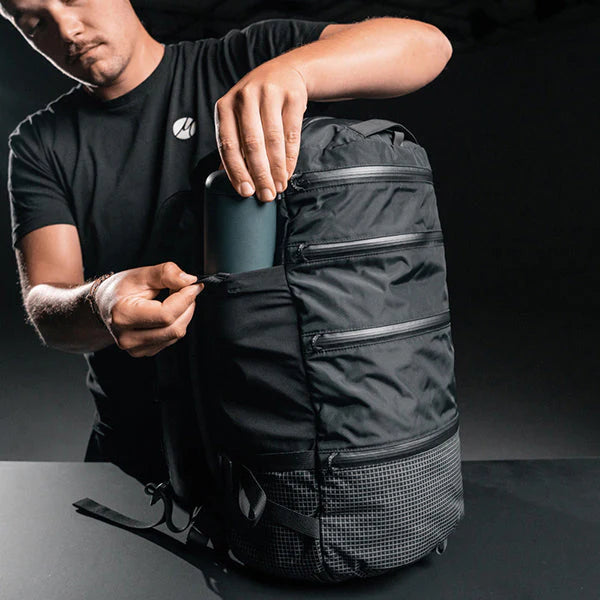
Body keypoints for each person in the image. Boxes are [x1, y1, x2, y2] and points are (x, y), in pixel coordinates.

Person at [1, 0, 453, 485]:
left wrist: (295, 71)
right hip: (133, 450)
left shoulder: (243, 58)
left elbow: (427, 46)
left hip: (276, 445)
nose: (67, 28)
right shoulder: (38, 143)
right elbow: (47, 303)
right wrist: (99, 302)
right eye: (33, 23)